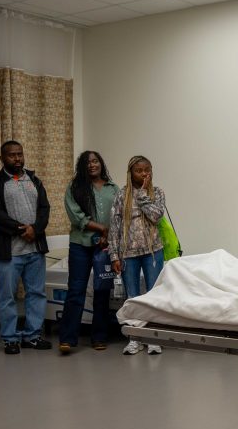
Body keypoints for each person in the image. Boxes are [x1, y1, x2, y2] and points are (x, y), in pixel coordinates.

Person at [0, 141, 52, 355]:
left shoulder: (34, 180)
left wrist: (36, 229)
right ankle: (10, 338)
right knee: (7, 296)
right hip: (9, 251)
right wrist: (23, 230)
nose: (17, 159)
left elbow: (44, 208)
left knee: (37, 293)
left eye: (20, 154)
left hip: (35, 250)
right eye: (12, 155)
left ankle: (32, 336)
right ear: (2, 158)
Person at [58, 151, 119, 354]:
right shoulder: (75, 187)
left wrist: (108, 235)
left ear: (101, 163)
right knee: (76, 290)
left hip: (105, 246)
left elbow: (118, 217)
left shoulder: (113, 188)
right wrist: (101, 228)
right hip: (80, 246)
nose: (92, 165)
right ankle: (67, 339)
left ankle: (99, 337)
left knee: (102, 290)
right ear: (82, 167)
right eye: (87, 163)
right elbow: (77, 218)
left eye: (95, 161)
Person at [110, 155, 166, 356]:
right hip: (128, 254)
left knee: (153, 296)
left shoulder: (157, 192)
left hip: (152, 252)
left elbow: (156, 215)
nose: (144, 174)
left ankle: (153, 338)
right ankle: (135, 339)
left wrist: (142, 196)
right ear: (130, 173)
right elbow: (114, 227)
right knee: (132, 297)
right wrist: (114, 256)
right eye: (139, 170)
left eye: (147, 170)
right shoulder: (121, 195)